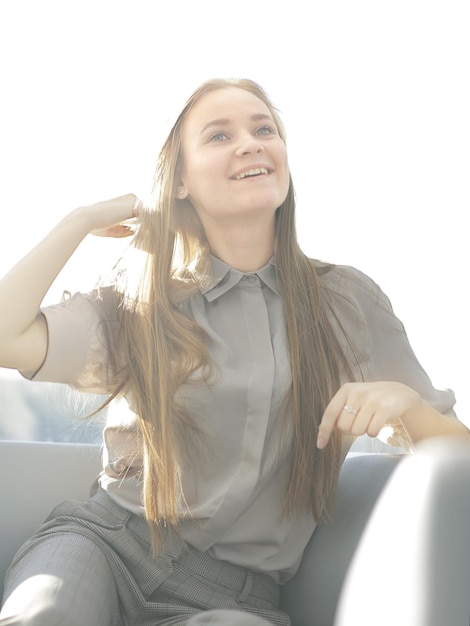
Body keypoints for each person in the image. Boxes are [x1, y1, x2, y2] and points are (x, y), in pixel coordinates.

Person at [0, 77, 467, 626]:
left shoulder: (347, 303)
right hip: (100, 547)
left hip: (233, 599)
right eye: (219, 135)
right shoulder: (141, 304)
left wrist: (406, 405)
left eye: (263, 128)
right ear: (179, 181)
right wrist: (77, 222)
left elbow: (458, 454)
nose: (250, 143)